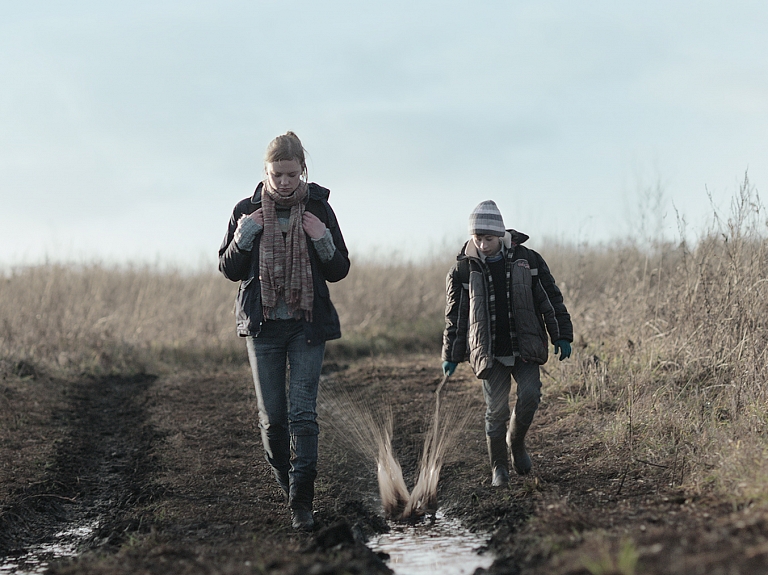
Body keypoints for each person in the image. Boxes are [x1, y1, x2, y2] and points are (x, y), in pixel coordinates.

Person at [218, 132, 350, 530]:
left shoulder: (320, 210)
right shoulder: (246, 209)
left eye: (291, 174)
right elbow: (229, 269)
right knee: (273, 420)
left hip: (306, 326)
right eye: (277, 174)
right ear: (266, 172)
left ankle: (301, 502)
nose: (284, 182)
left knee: (303, 416)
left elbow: (339, 269)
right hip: (264, 329)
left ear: (302, 171)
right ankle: (287, 482)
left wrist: (321, 239)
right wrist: (244, 236)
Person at [442, 200, 572, 486]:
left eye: (488, 238)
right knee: (496, 410)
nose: (483, 244)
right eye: (478, 238)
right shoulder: (463, 270)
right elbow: (456, 315)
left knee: (530, 395)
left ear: (500, 235)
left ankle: (517, 441)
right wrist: (452, 353)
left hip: (524, 346)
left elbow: (550, 299)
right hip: (490, 352)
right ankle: (499, 467)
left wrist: (560, 334)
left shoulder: (528, 260)